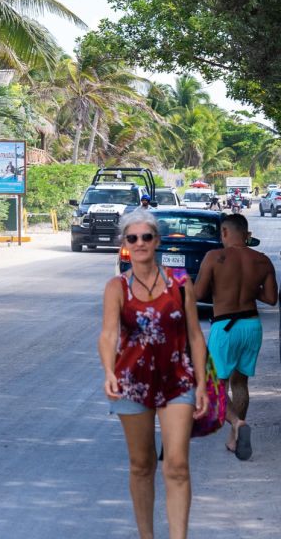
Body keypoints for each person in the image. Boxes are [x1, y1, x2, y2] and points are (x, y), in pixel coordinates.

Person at [99, 209, 209, 539]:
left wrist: (202, 382)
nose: (140, 243)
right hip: (131, 382)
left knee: (176, 465)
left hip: (177, 380)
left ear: (157, 241)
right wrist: (108, 371)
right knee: (142, 464)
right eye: (132, 238)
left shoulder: (180, 283)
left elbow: (194, 335)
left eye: (146, 237)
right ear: (125, 245)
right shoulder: (117, 287)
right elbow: (108, 335)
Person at [193, 213, 278, 460]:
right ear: (247, 234)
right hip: (252, 326)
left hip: (225, 327)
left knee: (214, 388)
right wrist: (250, 287)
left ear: (225, 232)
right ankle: (234, 438)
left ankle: (236, 425)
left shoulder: (214, 257)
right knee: (240, 383)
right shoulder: (262, 261)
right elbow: (272, 299)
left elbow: (198, 294)